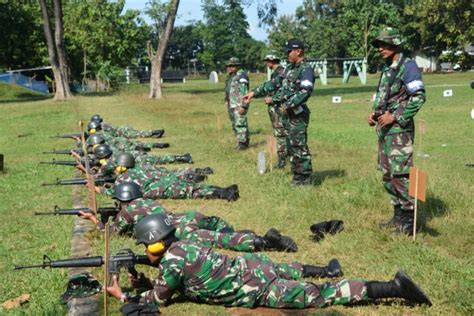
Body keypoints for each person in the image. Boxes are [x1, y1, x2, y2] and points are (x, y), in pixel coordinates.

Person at [106, 213, 432, 310]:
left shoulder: (172, 263)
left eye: (146, 246)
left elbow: (158, 300)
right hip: (251, 269)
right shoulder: (183, 247)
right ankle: (341, 273)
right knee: (300, 275)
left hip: (258, 290)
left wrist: (124, 296)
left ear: (157, 244)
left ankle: (395, 287)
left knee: (322, 296)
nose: (144, 251)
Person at [81, 182, 316, 256]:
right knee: (223, 231)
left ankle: (264, 242)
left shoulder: (127, 212)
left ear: (122, 200)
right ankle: (245, 233)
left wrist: (94, 220)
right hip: (188, 216)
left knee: (220, 242)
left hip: (177, 230)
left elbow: (109, 233)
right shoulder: (145, 201)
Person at [368, 27, 426, 235]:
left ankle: (410, 221)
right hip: (385, 132)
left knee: (401, 174)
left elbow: (418, 97)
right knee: (387, 174)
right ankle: (398, 216)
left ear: (396, 44)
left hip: (399, 132)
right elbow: (386, 97)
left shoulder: (408, 67)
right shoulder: (387, 68)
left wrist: (395, 116)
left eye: (384, 44)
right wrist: (375, 114)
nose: (380, 49)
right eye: (379, 45)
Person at [246, 39, 314, 185]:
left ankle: (305, 177)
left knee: (299, 146)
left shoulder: (306, 69)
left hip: (297, 114)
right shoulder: (289, 69)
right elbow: (273, 84)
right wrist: (253, 92)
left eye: (289, 51)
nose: (287, 54)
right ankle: (297, 176)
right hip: (287, 115)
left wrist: (288, 105)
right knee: (290, 145)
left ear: (298, 51)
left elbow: (305, 91)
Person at [243, 52, 288, 168]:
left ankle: (283, 161)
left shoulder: (281, 73)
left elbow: (273, 87)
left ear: (271, 61)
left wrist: (272, 99)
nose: (266, 63)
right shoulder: (278, 72)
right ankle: (286, 158)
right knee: (280, 132)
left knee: (281, 134)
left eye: (267, 61)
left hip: (279, 108)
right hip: (276, 108)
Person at [224, 57, 250, 150]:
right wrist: (226, 100)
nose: (229, 68)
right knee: (235, 123)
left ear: (237, 66)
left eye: (231, 66)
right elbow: (228, 89)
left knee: (240, 123)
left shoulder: (241, 75)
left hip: (239, 104)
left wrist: (244, 105)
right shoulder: (231, 76)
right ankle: (240, 141)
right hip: (232, 103)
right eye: (228, 66)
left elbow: (245, 92)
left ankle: (243, 144)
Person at [90, 114, 165, 138]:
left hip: (122, 132)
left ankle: (154, 132)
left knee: (139, 134)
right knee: (139, 132)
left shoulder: (102, 128)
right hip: (123, 129)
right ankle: (154, 132)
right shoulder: (104, 125)